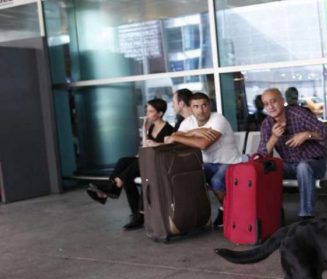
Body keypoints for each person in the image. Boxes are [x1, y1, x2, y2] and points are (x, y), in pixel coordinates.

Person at [87, 98, 174, 230]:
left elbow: (162, 149)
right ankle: (129, 205)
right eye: (147, 111)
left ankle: (114, 187)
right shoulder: (151, 127)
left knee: (131, 170)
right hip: (146, 160)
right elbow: (144, 147)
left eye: (151, 111)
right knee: (123, 161)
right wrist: (145, 130)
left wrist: (144, 130)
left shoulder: (168, 129)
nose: (147, 114)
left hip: (157, 163)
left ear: (160, 113)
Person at [165, 92, 243, 227]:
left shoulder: (219, 119)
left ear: (209, 105)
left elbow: (203, 144)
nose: (200, 110)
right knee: (188, 177)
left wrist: (179, 136)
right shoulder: (189, 122)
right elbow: (169, 139)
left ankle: (230, 212)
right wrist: (193, 132)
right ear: (191, 108)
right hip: (207, 164)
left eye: (204, 105)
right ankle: (193, 217)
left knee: (216, 180)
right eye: (196, 106)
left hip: (230, 162)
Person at [258, 88, 327, 219]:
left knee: (303, 167)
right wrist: (274, 137)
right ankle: (271, 215)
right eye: (266, 104)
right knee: (263, 169)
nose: (270, 106)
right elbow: (262, 155)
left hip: (314, 164)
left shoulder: (298, 114)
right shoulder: (267, 124)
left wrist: (307, 135)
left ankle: (306, 215)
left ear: (282, 101)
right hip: (289, 166)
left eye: (273, 101)